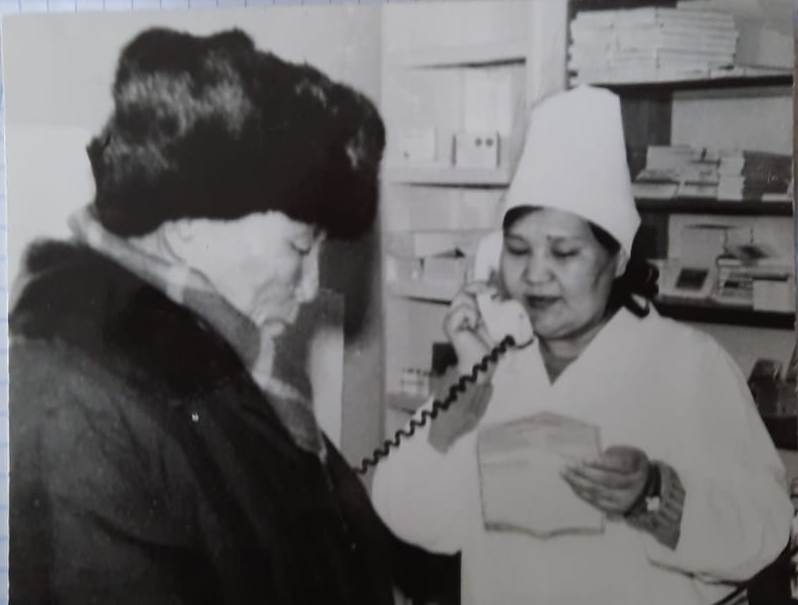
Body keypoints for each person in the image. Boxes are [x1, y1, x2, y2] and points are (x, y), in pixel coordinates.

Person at [10, 27, 445, 604]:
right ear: (190, 226)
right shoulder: (76, 402)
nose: (310, 287)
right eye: (299, 247)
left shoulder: (236, 361)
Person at [371, 85, 794, 605]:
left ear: (617, 260)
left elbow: (766, 529)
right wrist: (468, 390)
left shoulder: (687, 365)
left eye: (564, 253)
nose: (535, 275)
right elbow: (409, 514)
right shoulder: (493, 365)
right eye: (518, 250)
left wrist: (654, 496)